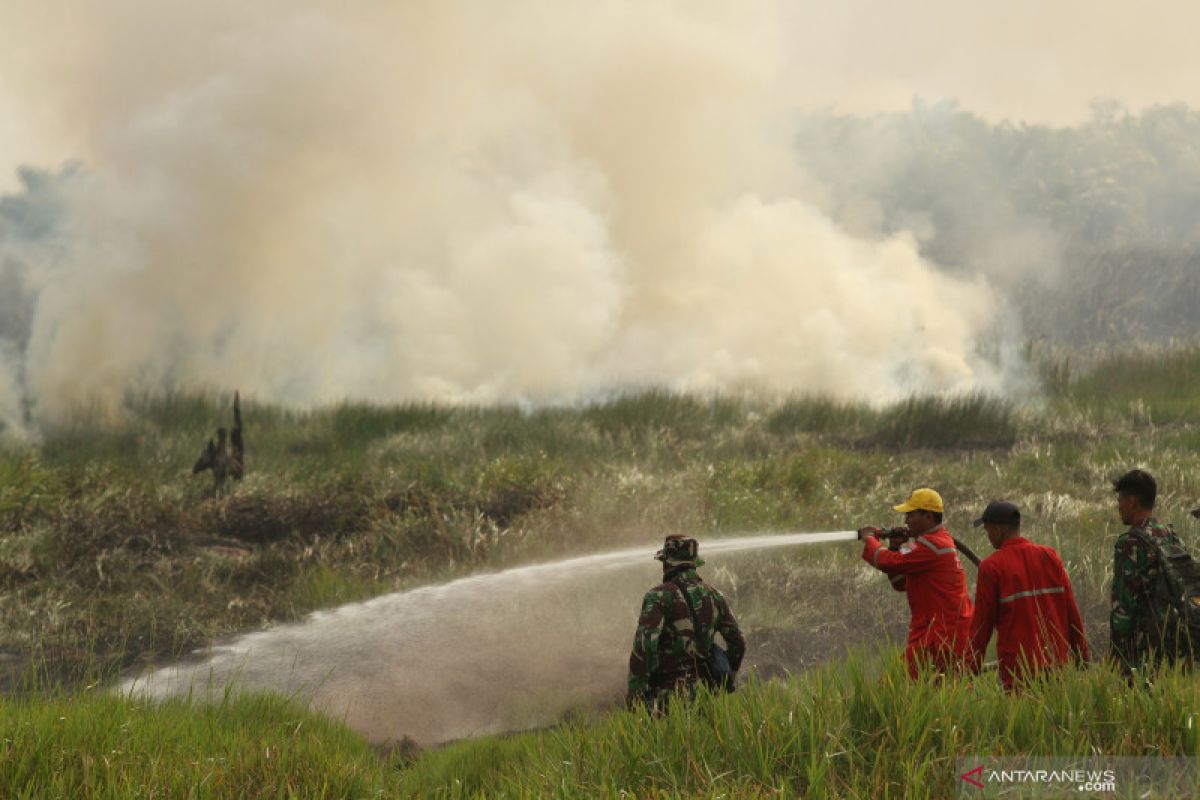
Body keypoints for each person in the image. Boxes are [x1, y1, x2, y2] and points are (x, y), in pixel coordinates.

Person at [967, 500, 1089, 691]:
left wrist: (969, 667)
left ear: (999, 530)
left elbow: (982, 626)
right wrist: (1083, 657)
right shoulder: (1050, 556)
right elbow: (1071, 611)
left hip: (1018, 672)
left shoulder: (991, 567)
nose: (989, 536)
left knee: (1021, 719)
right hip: (1057, 666)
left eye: (988, 531)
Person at [858, 488, 974, 678]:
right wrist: (895, 547)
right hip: (938, 630)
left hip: (941, 633)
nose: (906, 521)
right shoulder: (929, 544)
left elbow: (888, 562)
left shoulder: (932, 545)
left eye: (911, 515)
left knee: (896, 685)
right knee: (944, 687)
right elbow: (900, 582)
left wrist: (870, 539)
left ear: (928, 516)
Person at [627, 535, 746, 711]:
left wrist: (635, 695)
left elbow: (645, 647)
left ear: (667, 563)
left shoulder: (658, 596)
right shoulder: (715, 596)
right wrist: (724, 677)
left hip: (669, 699)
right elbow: (738, 643)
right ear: (694, 563)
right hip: (709, 699)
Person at [1110, 468, 1186, 676]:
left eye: (1121, 499)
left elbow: (1123, 606)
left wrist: (1116, 655)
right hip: (1173, 645)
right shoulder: (1171, 536)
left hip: (1140, 651)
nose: (1119, 506)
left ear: (1132, 501)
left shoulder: (1129, 543)